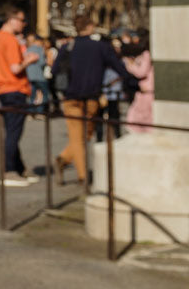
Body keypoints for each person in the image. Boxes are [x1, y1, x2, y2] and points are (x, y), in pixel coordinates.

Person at [51, 15, 137, 187]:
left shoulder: (67, 47)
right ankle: (83, 177)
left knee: (82, 136)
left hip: (70, 97)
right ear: (90, 27)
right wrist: (131, 81)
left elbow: (54, 71)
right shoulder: (100, 47)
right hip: (91, 98)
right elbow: (118, 66)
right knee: (81, 136)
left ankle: (63, 159)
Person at [0, 9, 40, 186]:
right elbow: (15, 68)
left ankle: (19, 168)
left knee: (12, 130)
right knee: (13, 132)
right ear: (11, 20)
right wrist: (30, 59)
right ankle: (9, 171)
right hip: (15, 88)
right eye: (21, 20)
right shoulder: (10, 40)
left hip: (2, 89)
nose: (23, 24)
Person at [123, 35, 154, 132]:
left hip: (146, 90)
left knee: (138, 118)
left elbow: (141, 72)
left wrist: (130, 65)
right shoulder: (148, 54)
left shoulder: (146, 54)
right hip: (146, 89)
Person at [25, 31, 51, 112]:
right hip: (39, 76)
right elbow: (42, 63)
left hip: (30, 76)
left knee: (32, 95)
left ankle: (31, 111)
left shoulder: (28, 49)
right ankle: (40, 110)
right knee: (45, 94)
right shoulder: (40, 49)